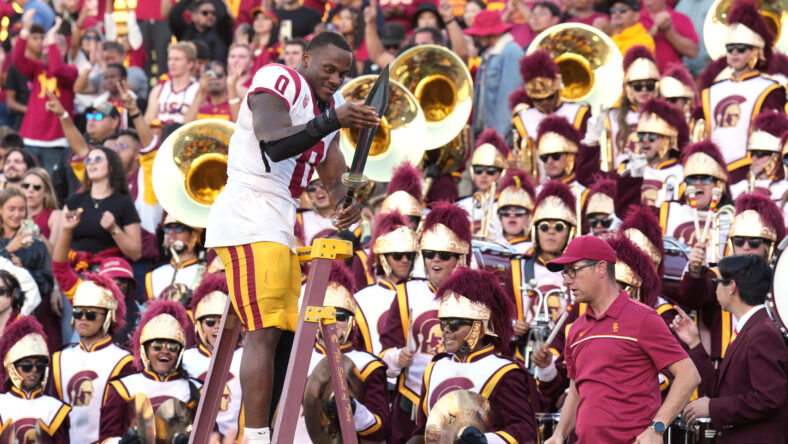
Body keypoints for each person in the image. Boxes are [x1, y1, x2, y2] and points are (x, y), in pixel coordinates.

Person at [204, 32, 378, 444]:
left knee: (283, 331)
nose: (336, 79)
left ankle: (268, 427)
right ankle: (258, 435)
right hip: (248, 210)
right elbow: (274, 142)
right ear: (305, 58)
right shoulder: (278, 78)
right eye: (329, 69)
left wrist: (347, 202)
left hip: (280, 217)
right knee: (264, 330)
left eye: (343, 73)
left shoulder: (330, 108)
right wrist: (333, 121)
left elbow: (335, 179)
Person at [543, 235, 700, 443]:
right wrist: (559, 434)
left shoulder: (644, 318)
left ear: (600, 268)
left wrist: (657, 428)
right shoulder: (575, 330)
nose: (566, 279)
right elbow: (576, 391)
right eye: (565, 272)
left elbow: (688, 375)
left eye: (573, 270)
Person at [409, 269, 538, 443]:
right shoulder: (435, 367)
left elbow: (525, 430)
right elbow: (425, 426)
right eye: (443, 323)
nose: (445, 330)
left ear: (479, 327)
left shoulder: (505, 372)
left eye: (454, 324)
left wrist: (485, 440)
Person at [672, 255, 788, 442]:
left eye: (717, 282)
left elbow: (769, 398)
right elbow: (722, 388)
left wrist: (712, 408)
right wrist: (694, 342)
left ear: (732, 287)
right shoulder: (752, 328)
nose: (715, 288)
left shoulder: (762, 333)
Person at [677, 192, 784, 365]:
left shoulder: (781, 280)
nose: (746, 247)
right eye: (739, 241)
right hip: (727, 362)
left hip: (770, 358)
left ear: (768, 246)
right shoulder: (718, 277)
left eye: (754, 242)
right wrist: (695, 270)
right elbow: (693, 298)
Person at [294, 262, 390, 442]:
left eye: (340, 316)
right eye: (326, 314)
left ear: (351, 322)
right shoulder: (298, 360)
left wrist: (352, 409)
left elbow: (380, 427)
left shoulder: (368, 365)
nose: (332, 322)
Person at [697, 0, 785, 183]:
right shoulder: (712, 89)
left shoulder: (770, 88)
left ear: (757, 51)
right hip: (714, 173)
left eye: (741, 48)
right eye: (730, 49)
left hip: (752, 171)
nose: (734, 53)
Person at [49, 272, 134, 444]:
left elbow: (124, 418)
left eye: (91, 315)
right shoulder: (59, 357)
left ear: (108, 316)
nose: (82, 319)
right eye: (78, 313)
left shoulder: (125, 360)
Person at [99, 300, 200, 442]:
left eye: (172, 347)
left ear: (180, 353)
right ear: (145, 350)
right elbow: (106, 436)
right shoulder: (123, 387)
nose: (164, 352)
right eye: (157, 346)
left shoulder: (196, 390)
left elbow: (211, 436)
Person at [510, 50, 591, 185]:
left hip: (575, 182)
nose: (545, 103)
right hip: (539, 185)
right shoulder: (523, 119)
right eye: (538, 100)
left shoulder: (579, 112)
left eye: (549, 97)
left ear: (557, 88)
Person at [12, 13, 76, 172]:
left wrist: (53, 36)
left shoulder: (72, 71)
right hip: (30, 138)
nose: (47, 51)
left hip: (56, 141)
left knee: (50, 186)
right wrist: (25, 30)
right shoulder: (38, 68)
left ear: (64, 48)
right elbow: (17, 59)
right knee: (26, 182)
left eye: (52, 47)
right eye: (46, 48)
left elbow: (56, 69)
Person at [183, 273, 244, 440]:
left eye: (224, 320)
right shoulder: (185, 359)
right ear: (199, 326)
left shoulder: (247, 355)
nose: (218, 326)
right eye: (210, 321)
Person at [63, 147, 142, 261]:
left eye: (98, 159)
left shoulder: (124, 202)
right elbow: (60, 246)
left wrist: (114, 229)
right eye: (88, 160)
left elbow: (136, 254)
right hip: (76, 269)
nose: (91, 163)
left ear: (111, 167)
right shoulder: (74, 201)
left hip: (108, 272)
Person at [356, 211, 418, 355]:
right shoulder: (361, 299)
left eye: (409, 255)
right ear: (382, 258)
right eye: (397, 255)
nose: (405, 260)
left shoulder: (422, 292)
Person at [0, 316, 71, 442]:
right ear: (13, 368)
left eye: (39, 366)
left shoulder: (55, 409)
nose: (34, 370)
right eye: (27, 366)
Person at [616, 98, 688, 208]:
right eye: (641, 136)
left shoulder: (683, 173)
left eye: (652, 137)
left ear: (669, 141)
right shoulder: (627, 169)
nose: (644, 140)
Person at [466, 10, 524, 143]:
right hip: (487, 130)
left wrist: (498, 138)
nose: (477, 38)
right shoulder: (490, 52)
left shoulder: (511, 53)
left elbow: (508, 98)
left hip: (500, 135)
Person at [0, 187, 53, 298]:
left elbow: (47, 284)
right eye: (11, 209)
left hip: (25, 310)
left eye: (21, 209)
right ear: (1, 209)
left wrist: (24, 271)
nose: (17, 214)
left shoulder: (37, 245)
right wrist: (8, 250)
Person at [456, 128, 509, 237]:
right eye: (478, 170)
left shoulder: (508, 206)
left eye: (490, 171)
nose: (484, 175)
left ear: (501, 173)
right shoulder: (461, 206)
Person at [729, 111, 788, 203]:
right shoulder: (737, 188)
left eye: (760, 153)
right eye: (752, 153)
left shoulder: (785, 187)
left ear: (777, 156)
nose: (754, 158)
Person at [145, 215, 204, 301]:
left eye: (178, 229)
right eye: (167, 229)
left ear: (193, 234)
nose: (171, 234)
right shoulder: (153, 274)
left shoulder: (207, 271)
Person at [144, 41, 200, 125]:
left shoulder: (199, 90)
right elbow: (148, 120)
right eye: (170, 59)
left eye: (177, 59)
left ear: (190, 64)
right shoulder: (159, 89)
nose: (172, 63)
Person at [165, 0, 234, 63]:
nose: (210, 16)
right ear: (194, 16)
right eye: (205, 13)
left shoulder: (221, 32)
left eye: (213, 13)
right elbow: (174, 15)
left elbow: (224, 15)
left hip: (215, 73)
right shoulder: (184, 32)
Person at [639, 0, 698, 71]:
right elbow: (628, 50)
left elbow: (693, 52)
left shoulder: (680, 18)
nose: (648, 2)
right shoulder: (634, 18)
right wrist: (653, 31)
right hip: (643, 77)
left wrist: (668, 31)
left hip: (674, 77)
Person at [21, 168, 61, 255]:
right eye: (26, 186)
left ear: (46, 192)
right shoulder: (13, 215)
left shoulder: (55, 215)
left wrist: (35, 231)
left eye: (37, 187)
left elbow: (55, 253)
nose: (30, 190)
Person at [497, 169, 536, 253]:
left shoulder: (534, 250)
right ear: (499, 216)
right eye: (505, 211)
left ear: (529, 216)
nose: (512, 215)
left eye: (519, 211)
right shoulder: (489, 245)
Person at [249, 7, 282, 73]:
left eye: (265, 18)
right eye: (257, 18)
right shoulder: (249, 47)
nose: (259, 22)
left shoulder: (279, 47)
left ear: (273, 24)